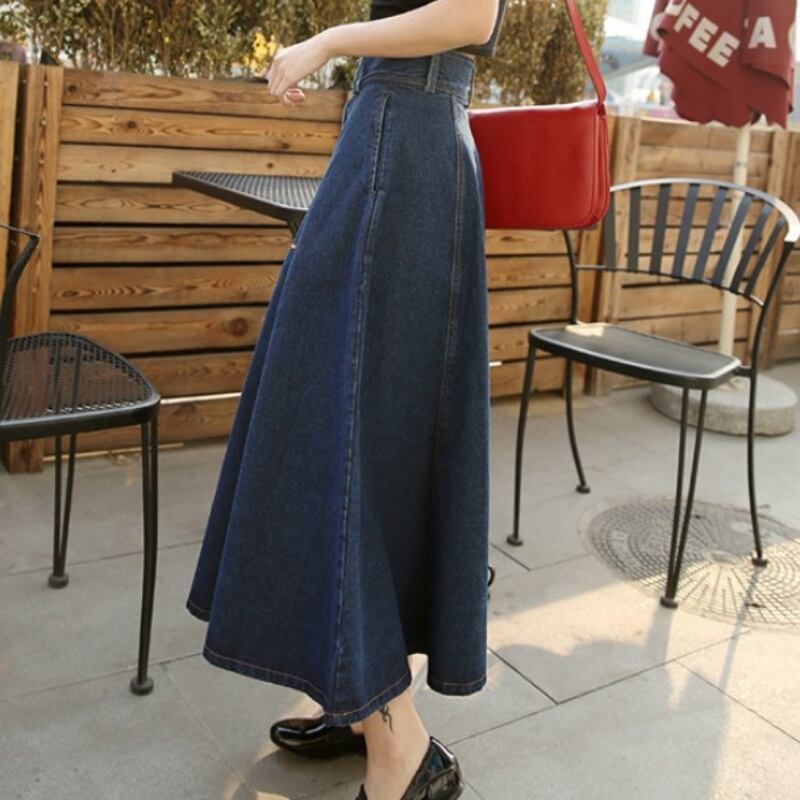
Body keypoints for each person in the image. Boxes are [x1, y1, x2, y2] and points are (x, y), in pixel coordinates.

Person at [185, 1, 508, 799]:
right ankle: (359, 690)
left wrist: (327, 42)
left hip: (406, 137)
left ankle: (401, 745)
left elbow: (471, 13)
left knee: (343, 425)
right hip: (392, 134)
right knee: (342, 421)